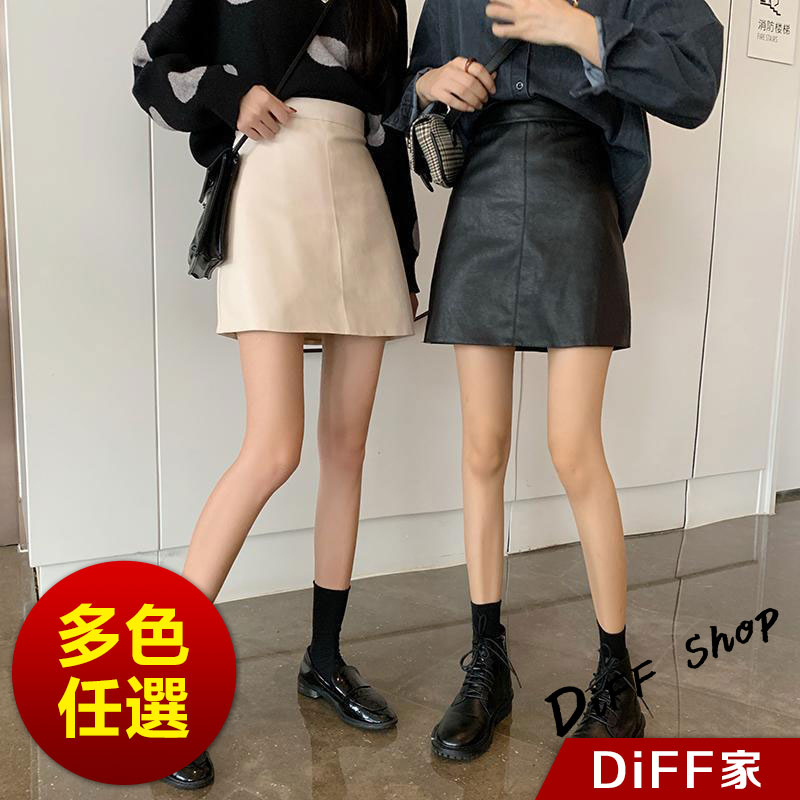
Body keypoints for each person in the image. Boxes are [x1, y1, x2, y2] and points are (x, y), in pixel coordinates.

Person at [386, 0, 723, 760]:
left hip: (577, 190)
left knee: (573, 448)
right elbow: (408, 94)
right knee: (482, 448)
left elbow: (696, 81)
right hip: (481, 195)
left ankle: (615, 677)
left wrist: (585, 31)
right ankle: (487, 664)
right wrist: (431, 85)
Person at [132, 0, 419, 788]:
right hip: (271, 187)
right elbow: (149, 67)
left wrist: (406, 254)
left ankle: (325, 661)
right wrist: (232, 96)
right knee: (273, 449)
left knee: (347, 450)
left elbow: (389, 123)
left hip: (361, 196)